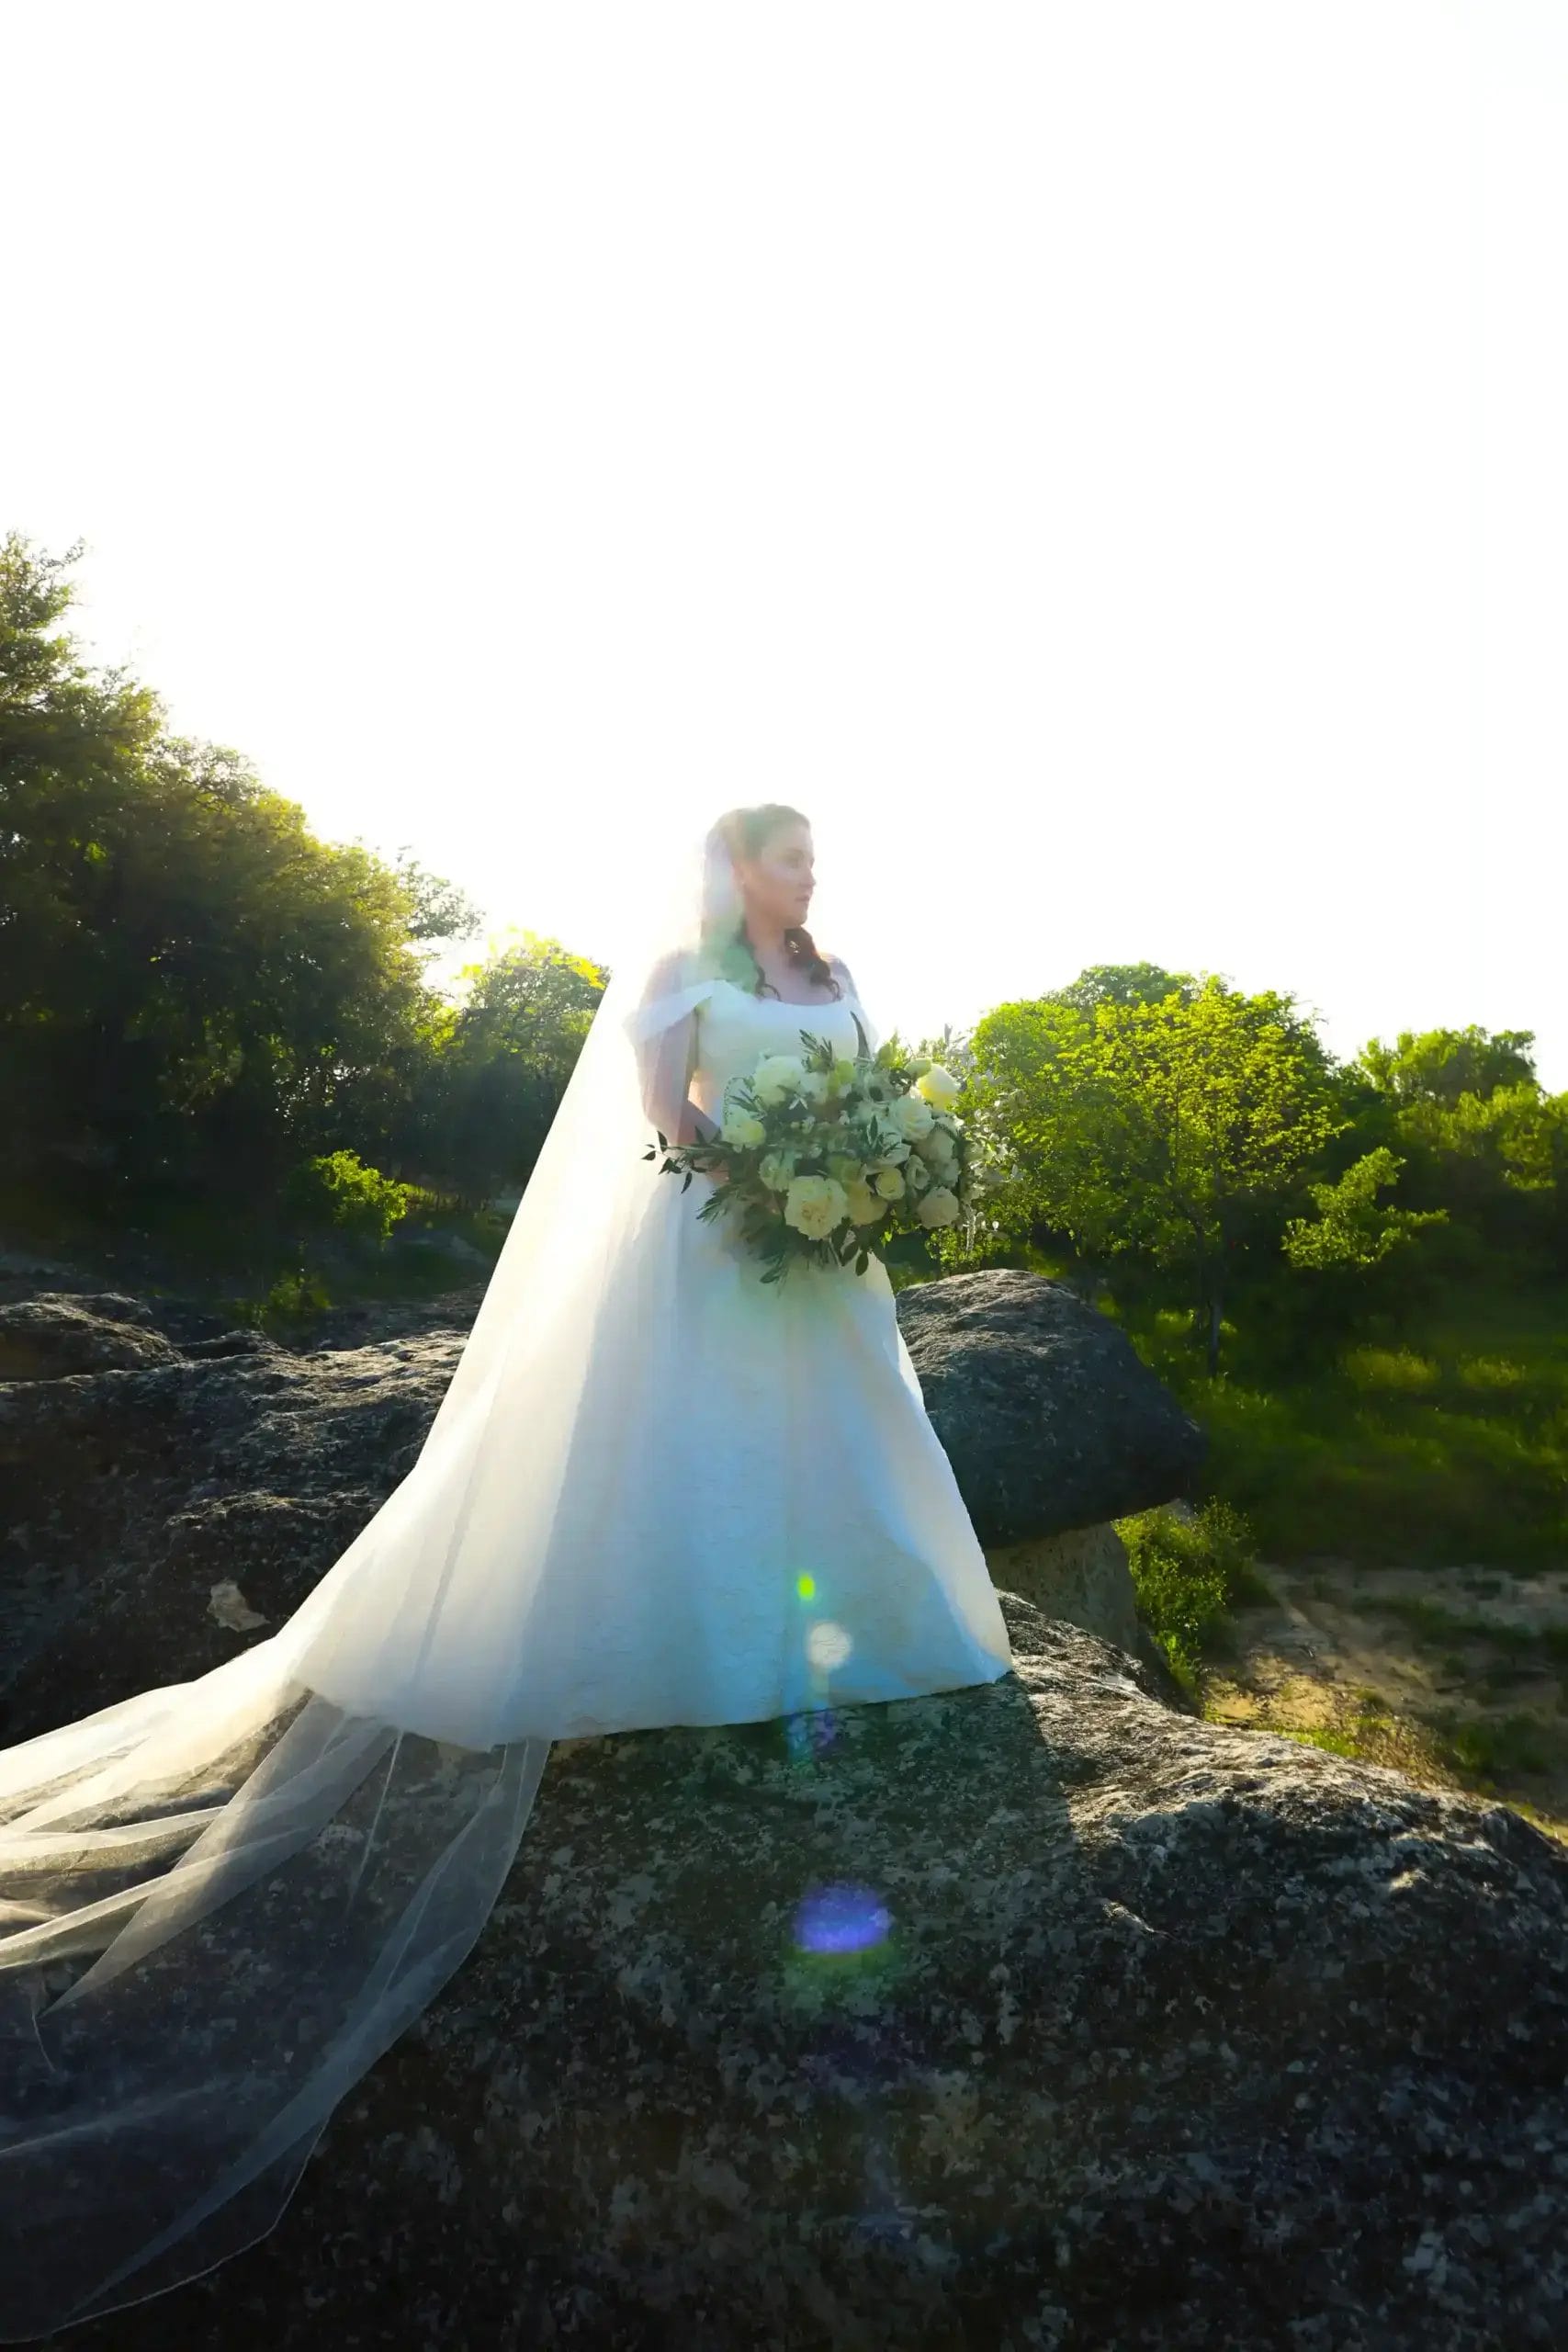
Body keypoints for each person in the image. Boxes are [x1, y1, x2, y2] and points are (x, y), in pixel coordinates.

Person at [0, 801, 1014, 2338]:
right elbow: (668, 1122)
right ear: (734, 866)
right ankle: (703, 1647)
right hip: (719, 1251)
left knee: (856, 1445)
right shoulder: (682, 973)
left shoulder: (835, 966)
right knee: (708, 1456)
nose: (811, 877)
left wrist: (878, 1172)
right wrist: (787, 1167)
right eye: (787, 855)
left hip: (833, 1273)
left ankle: (887, 1626)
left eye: (816, 856)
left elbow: (869, 1085)